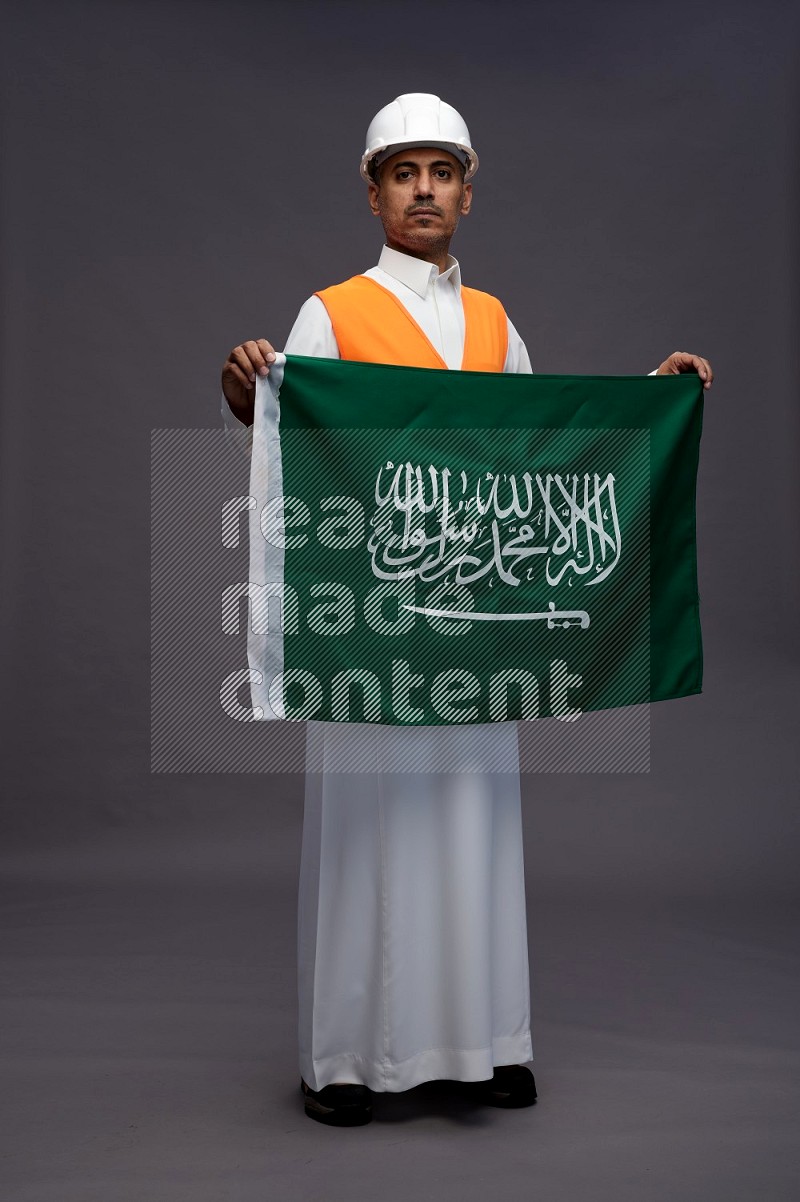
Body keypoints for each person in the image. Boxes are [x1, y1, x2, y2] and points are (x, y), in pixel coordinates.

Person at [221, 93, 714, 1127]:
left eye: (441, 170)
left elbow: (538, 459)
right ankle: (348, 1059)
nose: (423, 189)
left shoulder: (492, 321)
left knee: (473, 821)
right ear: (371, 191)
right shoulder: (332, 310)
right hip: (375, 619)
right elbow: (298, 458)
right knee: (370, 827)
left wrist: (647, 404)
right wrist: (251, 405)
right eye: (402, 171)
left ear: (467, 189)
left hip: (476, 625)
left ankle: (489, 1042)